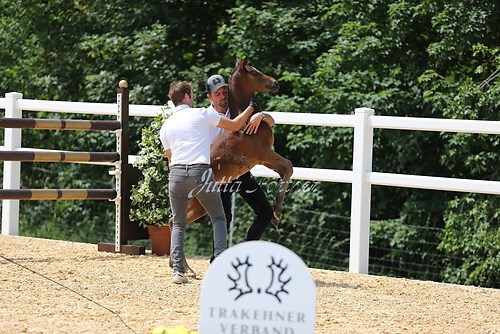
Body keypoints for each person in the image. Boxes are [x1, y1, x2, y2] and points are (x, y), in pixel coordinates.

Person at [159, 81, 257, 284]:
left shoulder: (166, 125)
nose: (193, 97)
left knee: (178, 223)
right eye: (192, 94)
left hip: (176, 175)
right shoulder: (201, 114)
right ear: (186, 97)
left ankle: (178, 271)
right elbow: (236, 124)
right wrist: (251, 107)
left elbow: (170, 159)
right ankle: (219, 265)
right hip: (200, 173)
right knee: (219, 219)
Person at [205, 74, 275, 245]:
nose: (222, 97)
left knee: (265, 212)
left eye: (224, 92)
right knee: (224, 218)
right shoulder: (205, 116)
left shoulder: (237, 109)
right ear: (209, 97)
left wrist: (261, 115)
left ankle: (243, 249)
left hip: (240, 170)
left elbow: (272, 122)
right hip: (219, 174)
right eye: (217, 94)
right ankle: (217, 258)